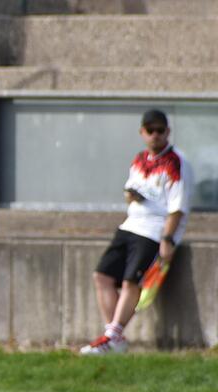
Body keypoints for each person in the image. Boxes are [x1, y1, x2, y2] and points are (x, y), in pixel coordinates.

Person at [80, 109, 192, 355]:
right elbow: (131, 190)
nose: (155, 135)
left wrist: (167, 239)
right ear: (142, 132)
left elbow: (177, 207)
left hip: (153, 231)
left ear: (168, 132)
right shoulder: (140, 159)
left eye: (160, 130)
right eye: (150, 130)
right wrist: (131, 195)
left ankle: (111, 337)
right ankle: (114, 336)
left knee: (132, 281)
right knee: (102, 276)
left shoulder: (176, 163)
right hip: (130, 225)